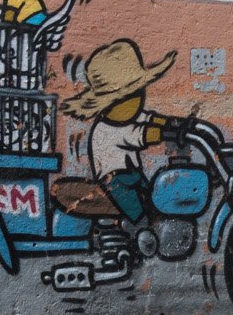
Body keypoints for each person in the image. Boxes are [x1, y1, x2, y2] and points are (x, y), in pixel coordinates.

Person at [60, 39, 181, 223]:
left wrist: (172, 122)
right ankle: (143, 235)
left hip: (132, 174)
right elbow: (140, 135)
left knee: (155, 199)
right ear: (110, 103)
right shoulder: (107, 129)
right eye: (131, 95)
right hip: (115, 182)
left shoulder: (127, 116)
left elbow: (146, 117)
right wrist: (165, 133)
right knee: (140, 216)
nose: (138, 100)